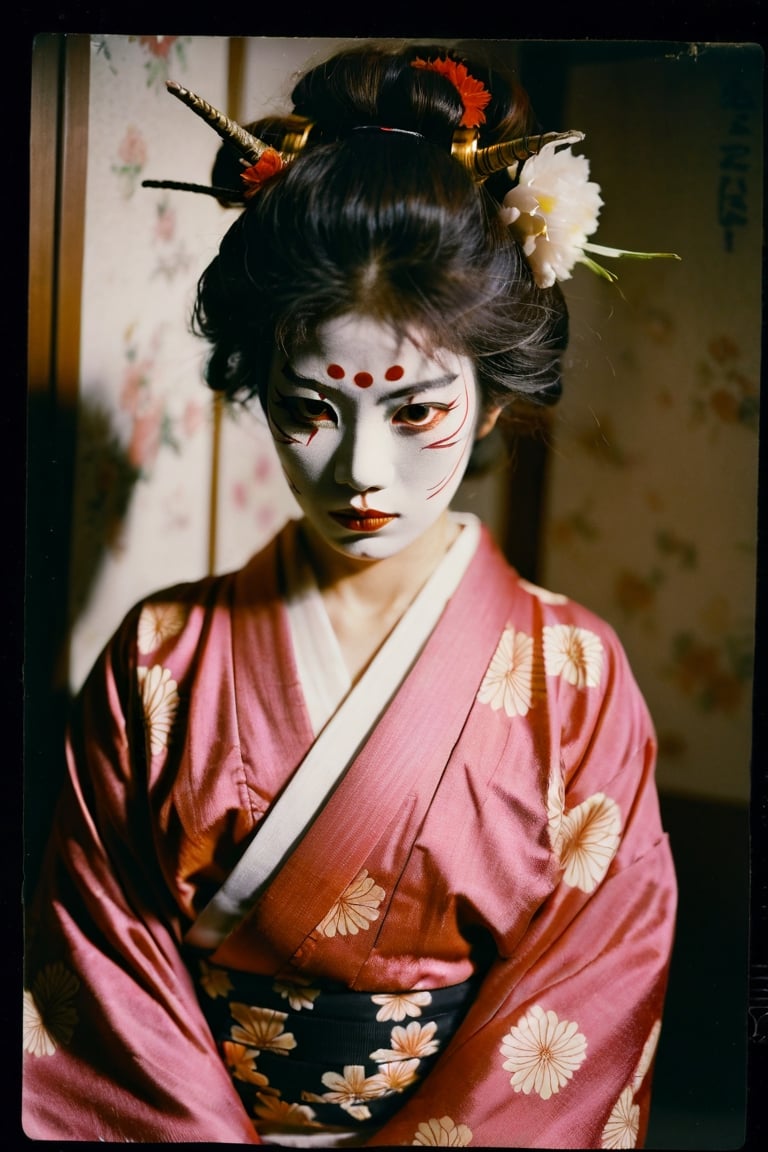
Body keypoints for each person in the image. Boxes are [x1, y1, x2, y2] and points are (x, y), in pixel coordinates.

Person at [22, 41, 677, 1148]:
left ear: (493, 393)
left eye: (415, 411)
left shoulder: (576, 679)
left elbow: (592, 987)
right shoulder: (160, 657)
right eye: (311, 408)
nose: (361, 471)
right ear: (259, 385)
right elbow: (100, 969)